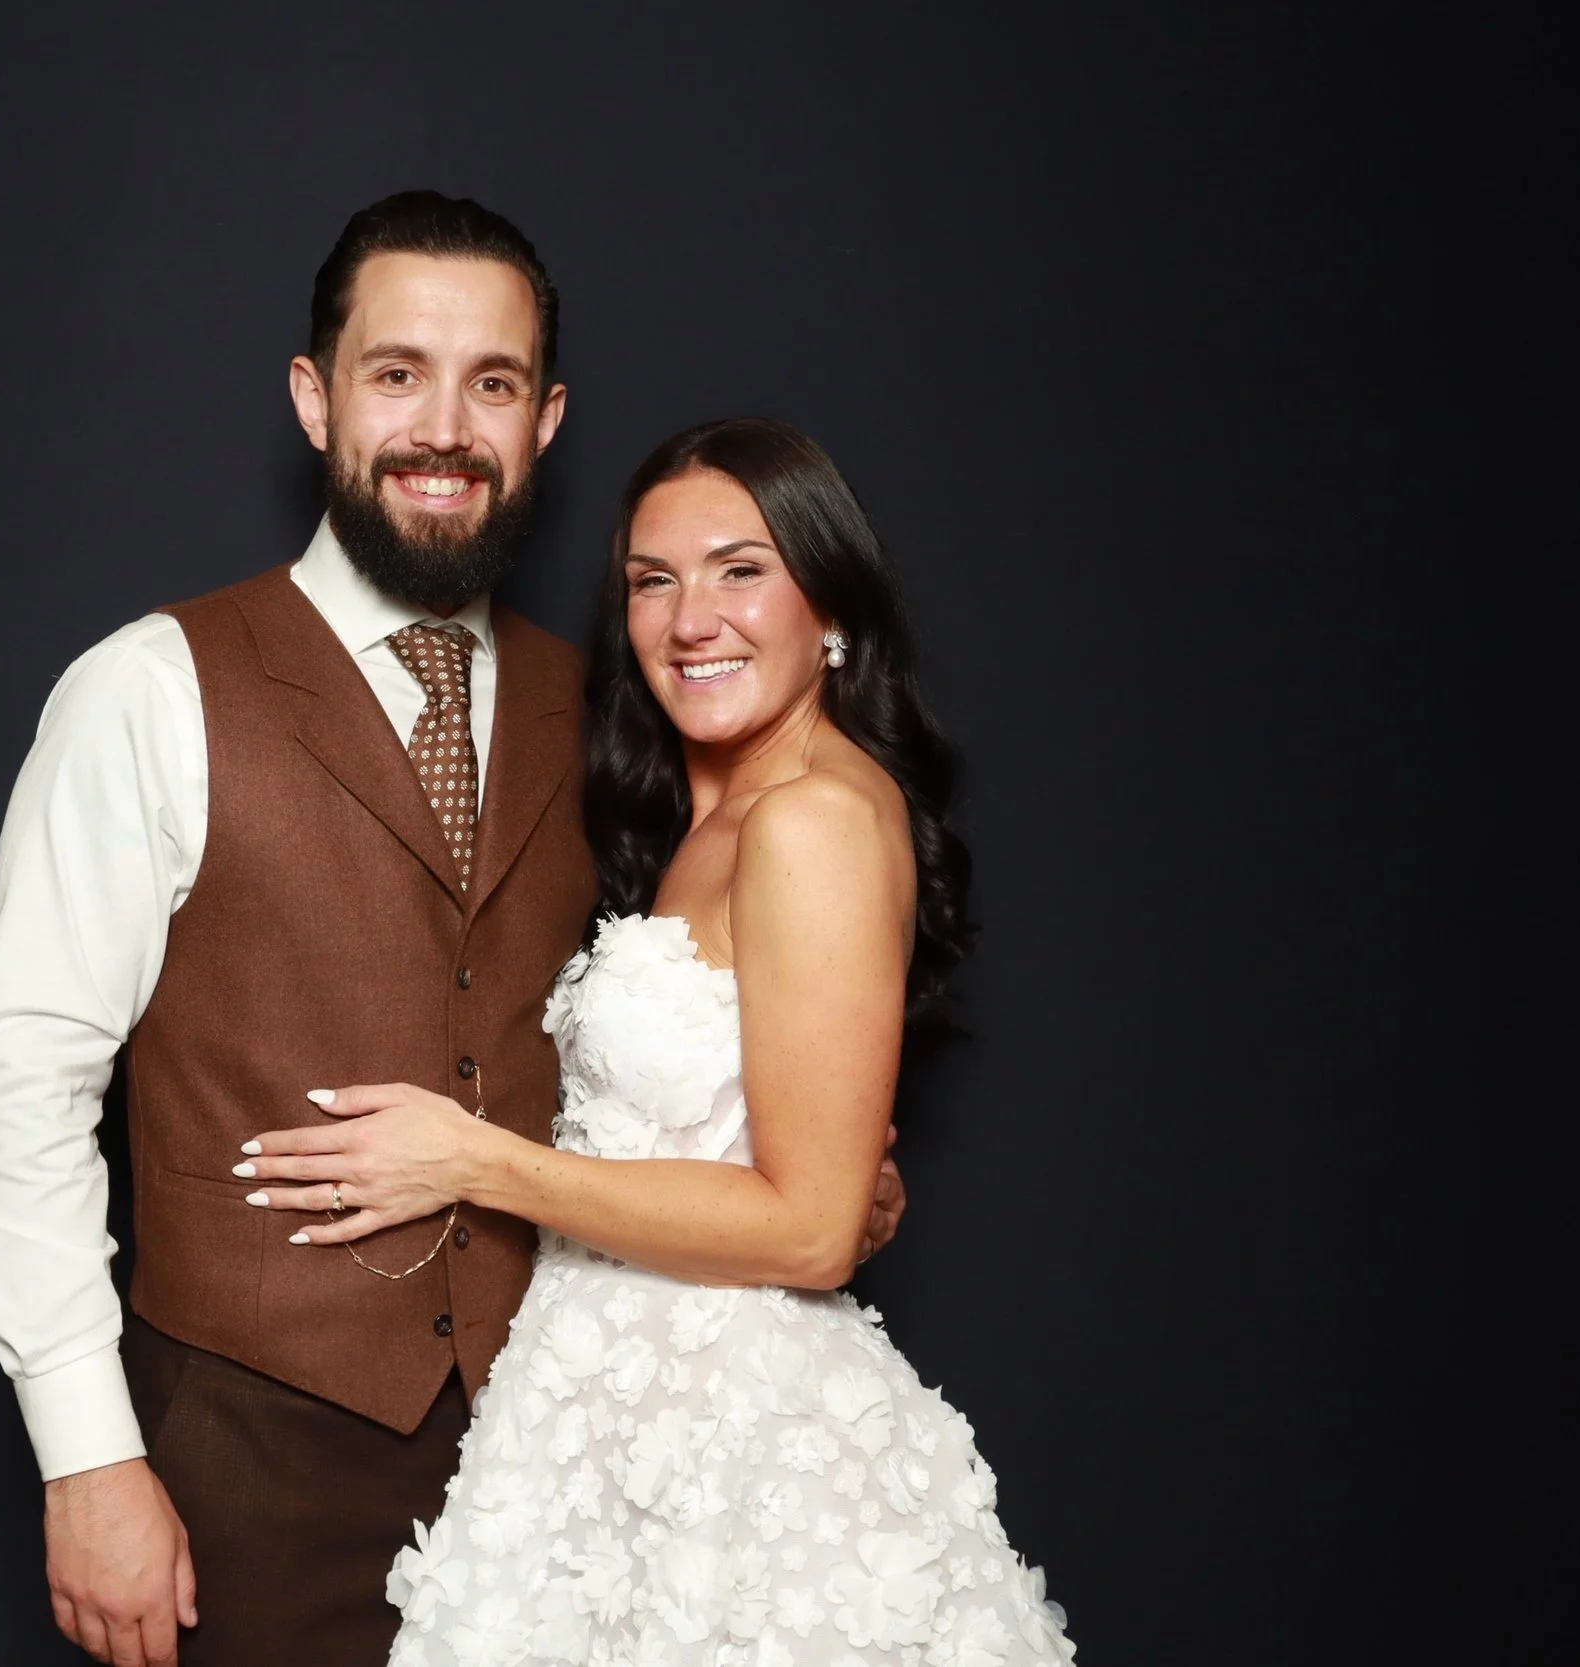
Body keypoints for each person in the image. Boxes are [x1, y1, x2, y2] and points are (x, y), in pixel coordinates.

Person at [0, 197, 908, 1667]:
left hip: (566, 1454)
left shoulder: (611, 704)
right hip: (246, 1456)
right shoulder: (147, 688)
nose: (444, 427)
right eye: (397, 372)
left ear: (544, 422)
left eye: (495, 383)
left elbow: (721, 991)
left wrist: (813, 1167)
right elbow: (23, 1085)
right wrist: (88, 1454)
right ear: (315, 395)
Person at [238, 419, 1078, 1663]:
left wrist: (474, 1161)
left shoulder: (813, 822)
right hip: (608, 1425)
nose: (693, 618)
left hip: (737, 1461)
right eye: (652, 579)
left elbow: (803, 1226)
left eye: (741, 569)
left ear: (829, 601)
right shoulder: (706, 813)